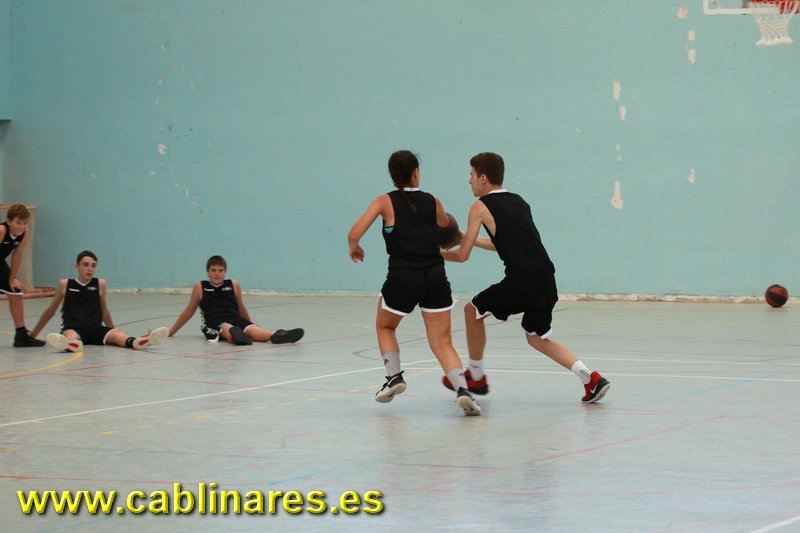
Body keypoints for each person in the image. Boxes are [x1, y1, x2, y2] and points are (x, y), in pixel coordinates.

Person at [441, 152, 611, 404]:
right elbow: (503, 244)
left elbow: (462, 256)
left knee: (472, 310)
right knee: (536, 337)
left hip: (522, 280)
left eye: (471, 175)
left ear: (483, 178)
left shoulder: (479, 206)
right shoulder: (519, 201)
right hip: (545, 277)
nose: (469, 181)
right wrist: (467, 237)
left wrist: (434, 253)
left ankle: (475, 376)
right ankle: (591, 378)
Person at [348, 150, 481, 416]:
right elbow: (445, 227)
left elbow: (354, 233)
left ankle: (394, 376)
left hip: (403, 277)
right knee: (442, 341)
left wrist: (355, 247)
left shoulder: (384, 201)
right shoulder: (432, 200)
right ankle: (463, 390)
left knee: (385, 326)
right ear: (416, 172)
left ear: (393, 176)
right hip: (435, 276)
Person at [30, 250, 168, 352]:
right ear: (77, 266)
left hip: (95, 329)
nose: (90, 269)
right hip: (74, 328)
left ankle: (137, 342)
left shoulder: (100, 284)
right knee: (70, 335)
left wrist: (113, 329)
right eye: (85, 265)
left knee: (119, 335)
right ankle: (70, 344)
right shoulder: (65, 284)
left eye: (93, 265)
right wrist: (33, 335)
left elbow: (104, 310)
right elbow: (50, 311)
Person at [168, 255, 304, 345]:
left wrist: (251, 324)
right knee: (227, 328)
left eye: (220, 270)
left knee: (251, 329)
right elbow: (189, 311)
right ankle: (236, 337)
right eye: (213, 270)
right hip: (213, 322)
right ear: (208, 272)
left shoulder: (233, 284)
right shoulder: (200, 286)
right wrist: (171, 332)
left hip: (234, 318)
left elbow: (241, 307)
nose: (217, 274)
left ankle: (276, 335)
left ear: (225, 272)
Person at [1, 203, 46, 347]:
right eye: (18, 223)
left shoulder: (24, 232)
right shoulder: (2, 230)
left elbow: (17, 255)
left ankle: (21, 336)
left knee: (15, 292)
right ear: (9, 221)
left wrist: (11, 279)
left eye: (25, 223)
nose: (21, 226)